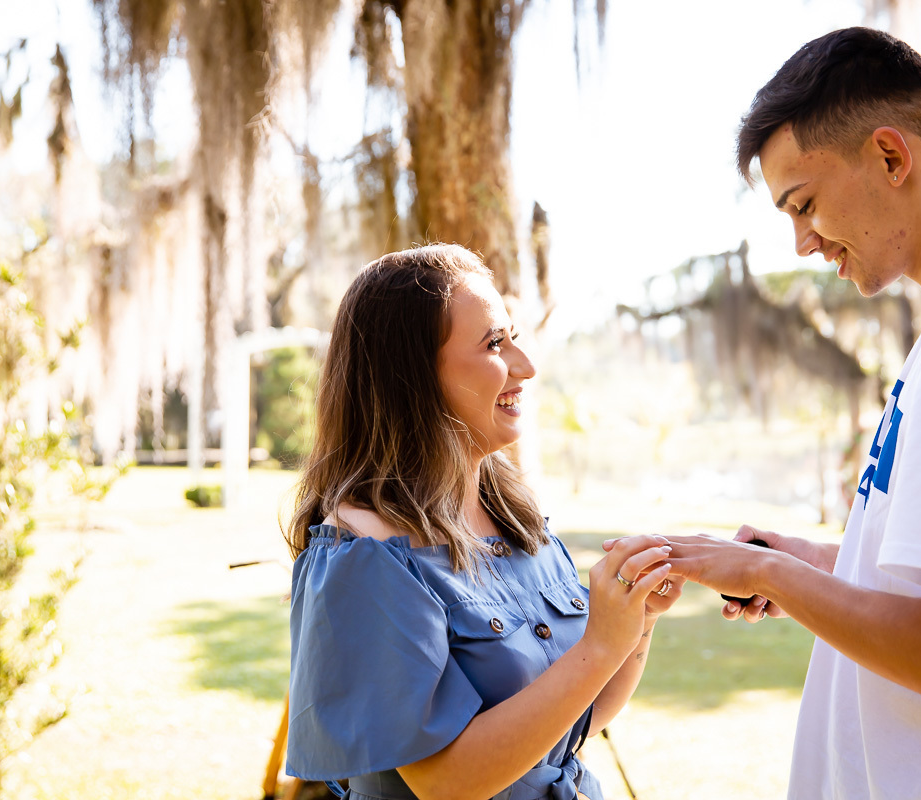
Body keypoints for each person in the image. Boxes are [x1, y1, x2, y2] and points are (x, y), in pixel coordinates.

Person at [655, 26, 921, 799]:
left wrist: (767, 573)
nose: (801, 242)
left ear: (892, 158)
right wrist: (812, 564)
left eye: (806, 203)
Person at [283, 244, 683, 800]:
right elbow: (446, 781)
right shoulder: (363, 552)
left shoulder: (516, 519)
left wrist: (635, 624)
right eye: (495, 343)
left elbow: (569, 728)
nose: (526, 366)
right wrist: (599, 644)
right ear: (413, 376)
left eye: (513, 337)